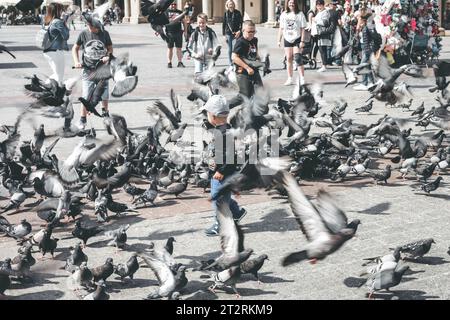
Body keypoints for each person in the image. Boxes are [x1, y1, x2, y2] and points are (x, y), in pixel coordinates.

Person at [203, 95, 246, 236]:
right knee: (225, 197)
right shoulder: (224, 129)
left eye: (208, 114)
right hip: (222, 173)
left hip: (221, 175)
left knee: (218, 200)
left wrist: (221, 170)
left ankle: (220, 224)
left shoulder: (223, 134)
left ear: (214, 116)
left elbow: (230, 156)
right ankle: (237, 213)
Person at [72, 16, 113, 130]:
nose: (89, 27)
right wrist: (76, 61)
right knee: (86, 96)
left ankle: (105, 113)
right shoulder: (84, 34)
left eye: (92, 26)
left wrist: (107, 56)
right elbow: (75, 48)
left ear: (98, 26)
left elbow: (110, 48)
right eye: (88, 25)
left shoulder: (105, 34)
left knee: (104, 94)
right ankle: (82, 119)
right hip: (88, 69)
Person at [277, 0, 307, 86]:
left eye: (293, 3)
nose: (291, 4)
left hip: (297, 38)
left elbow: (303, 29)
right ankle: (290, 78)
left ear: (295, 4)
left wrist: (302, 41)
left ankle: (302, 78)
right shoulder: (284, 14)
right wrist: (279, 40)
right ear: (287, 4)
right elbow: (281, 28)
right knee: (289, 58)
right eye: (290, 3)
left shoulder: (300, 14)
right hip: (287, 38)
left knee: (297, 58)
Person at [232, 20, 263, 98]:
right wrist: (247, 67)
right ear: (243, 31)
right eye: (249, 32)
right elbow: (234, 57)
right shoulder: (240, 42)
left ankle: (253, 109)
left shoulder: (255, 40)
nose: (252, 34)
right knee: (243, 97)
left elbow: (255, 52)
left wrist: (258, 59)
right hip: (242, 72)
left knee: (260, 93)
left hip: (254, 71)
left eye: (253, 31)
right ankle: (224, 107)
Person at [42, 3, 69, 87]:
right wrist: (65, 24)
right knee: (59, 75)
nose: (62, 11)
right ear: (57, 11)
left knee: (58, 74)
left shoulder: (47, 20)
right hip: (55, 51)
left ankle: (50, 88)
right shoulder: (57, 22)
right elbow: (66, 36)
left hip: (48, 51)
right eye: (61, 9)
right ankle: (46, 88)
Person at [353, 12, 375, 90]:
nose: (358, 19)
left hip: (367, 49)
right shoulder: (365, 27)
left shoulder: (366, 28)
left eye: (359, 18)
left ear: (363, 20)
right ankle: (373, 82)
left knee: (362, 65)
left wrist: (367, 51)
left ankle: (364, 83)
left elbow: (367, 41)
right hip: (366, 48)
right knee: (367, 66)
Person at [314, 0, 335, 72]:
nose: (319, 6)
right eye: (317, 5)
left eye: (320, 5)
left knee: (322, 49)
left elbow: (325, 22)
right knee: (321, 48)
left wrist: (315, 21)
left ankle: (324, 65)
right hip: (319, 33)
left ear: (323, 5)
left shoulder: (325, 12)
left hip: (323, 33)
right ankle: (324, 65)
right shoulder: (319, 12)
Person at [165, 2, 186, 68]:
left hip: (178, 32)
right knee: (170, 48)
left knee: (179, 48)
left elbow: (184, 22)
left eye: (175, 4)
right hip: (169, 33)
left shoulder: (180, 12)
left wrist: (185, 31)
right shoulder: (165, 12)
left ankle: (180, 62)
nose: (173, 6)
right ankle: (169, 62)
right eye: (172, 4)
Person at [223, 0, 243, 66]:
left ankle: (235, 61)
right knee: (230, 49)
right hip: (228, 33)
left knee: (235, 49)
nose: (231, 5)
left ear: (234, 5)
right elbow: (224, 24)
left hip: (236, 33)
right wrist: (224, 35)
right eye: (229, 4)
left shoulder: (237, 13)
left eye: (232, 4)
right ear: (227, 5)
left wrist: (239, 31)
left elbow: (241, 23)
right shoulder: (226, 13)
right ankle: (230, 63)